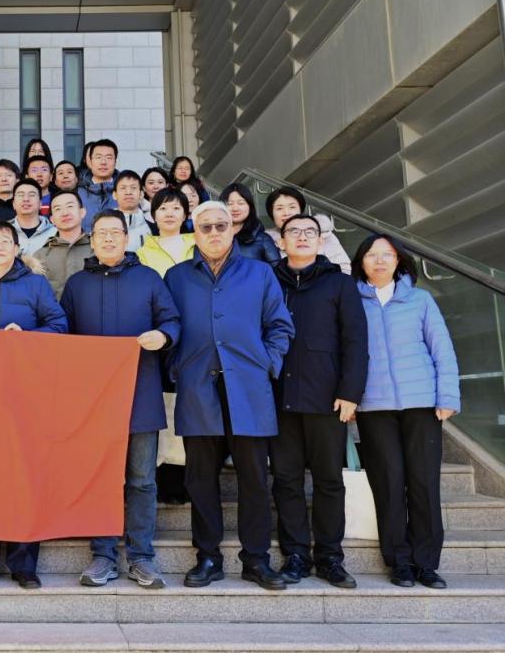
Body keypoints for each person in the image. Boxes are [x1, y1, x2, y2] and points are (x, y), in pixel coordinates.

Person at [163, 201, 294, 591]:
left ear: (233, 228)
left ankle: (256, 559)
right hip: (197, 387)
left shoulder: (260, 272)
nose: (214, 232)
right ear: (195, 232)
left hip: (248, 388)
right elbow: (167, 324)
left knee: (254, 478)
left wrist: (267, 363)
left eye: (221, 225)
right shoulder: (176, 276)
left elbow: (280, 326)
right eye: (205, 227)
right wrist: (176, 367)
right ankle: (208, 557)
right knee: (200, 478)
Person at [61, 210, 181, 590]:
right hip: (94, 400)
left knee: (142, 479)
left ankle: (141, 557)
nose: (109, 239)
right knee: (101, 478)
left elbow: (172, 321)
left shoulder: (148, 278)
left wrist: (163, 337)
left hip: (140, 393)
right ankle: (103, 555)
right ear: (92, 240)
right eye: (102, 233)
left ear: (128, 238)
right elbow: (61, 334)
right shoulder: (77, 285)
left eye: (116, 232)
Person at [0, 221, 68, 590]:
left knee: (23, 476)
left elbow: (59, 326)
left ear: (18, 248)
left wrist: (28, 337)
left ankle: (24, 564)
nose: (0, 246)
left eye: (6, 240)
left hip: (25, 395)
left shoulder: (35, 285)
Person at [352, 234, 460, 590]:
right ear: (361, 261)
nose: (380, 261)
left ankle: (426, 563)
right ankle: (399, 561)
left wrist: (447, 396)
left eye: (387, 254)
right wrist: (349, 398)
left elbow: (441, 348)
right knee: (388, 484)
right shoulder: (351, 301)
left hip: (422, 405)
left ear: (399, 260)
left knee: (424, 484)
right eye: (372, 255)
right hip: (373, 406)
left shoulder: (420, 299)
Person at [271, 215, 368, 589]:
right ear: (281, 241)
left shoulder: (339, 283)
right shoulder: (268, 280)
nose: (302, 237)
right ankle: (295, 554)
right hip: (278, 399)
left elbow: (355, 341)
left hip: (327, 399)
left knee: (328, 480)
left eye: (310, 232)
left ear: (321, 241)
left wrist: (351, 392)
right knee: (286, 480)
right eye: (293, 232)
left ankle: (329, 556)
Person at [136, 188, 196, 505]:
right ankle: (168, 478)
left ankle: (192, 478)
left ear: (186, 213)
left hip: (197, 334)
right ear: (153, 214)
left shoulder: (199, 243)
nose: (169, 213)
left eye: (175, 207)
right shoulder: (142, 251)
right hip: (162, 337)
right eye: (162, 208)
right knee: (167, 405)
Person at [264, 186, 351, 274]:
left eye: (292, 207)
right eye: (279, 208)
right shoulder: (266, 241)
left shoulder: (324, 234)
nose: (286, 213)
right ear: (272, 213)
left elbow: (345, 269)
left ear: (300, 210)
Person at [33, 192, 91, 299]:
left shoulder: (98, 248)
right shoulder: (40, 255)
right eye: (58, 209)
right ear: (52, 220)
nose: (65, 213)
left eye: (70, 206)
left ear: (82, 212)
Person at [221, 183, 281, 265]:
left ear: (250, 206)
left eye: (241, 203)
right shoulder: (213, 236)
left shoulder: (263, 239)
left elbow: (277, 270)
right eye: (229, 204)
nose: (235, 208)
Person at [77, 139, 120, 231]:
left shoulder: (124, 191)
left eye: (109, 157)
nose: (103, 162)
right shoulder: (77, 193)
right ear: (90, 161)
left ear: (115, 161)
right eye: (98, 157)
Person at [10, 178, 56, 255]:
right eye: (20, 195)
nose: (26, 199)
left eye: (32, 195)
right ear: (13, 204)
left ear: (40, 203)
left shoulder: (55, 233)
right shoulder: (3, 232)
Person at [114, 170, 152, 251]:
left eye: (133, 188)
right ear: (114, 195)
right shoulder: (104, 225)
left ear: (141, 194)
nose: (128, 192)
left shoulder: (153, 227)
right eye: (123, 188)